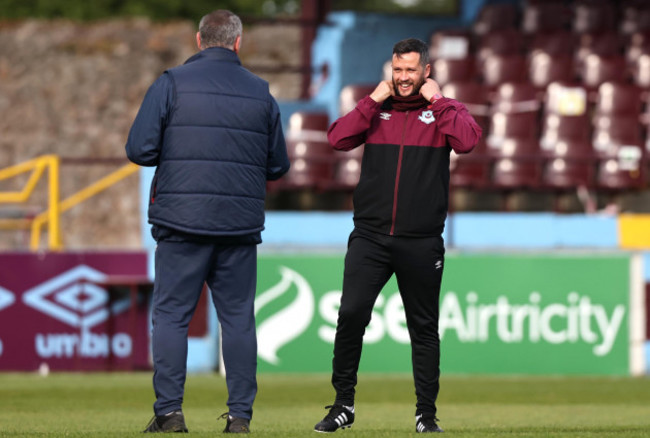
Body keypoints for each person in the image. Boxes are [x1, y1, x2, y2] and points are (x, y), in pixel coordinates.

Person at [125, 9, 290, 434]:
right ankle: (239, 418)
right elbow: (278, 166)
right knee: (237, 319)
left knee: (172, 316)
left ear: (199, 40)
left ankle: (169, 414)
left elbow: (139, 149)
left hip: (180, 223)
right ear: (238, 42)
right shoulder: (261, 92)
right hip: (238, 226)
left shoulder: (171, 83)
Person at [314, 38, 481, 434]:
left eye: (410, 70)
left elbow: (468, 142)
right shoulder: (376, 109)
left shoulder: (444, 111)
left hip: (421, 241)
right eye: (398, 70)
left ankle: (426, 414)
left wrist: (439, 101)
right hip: (370, 237)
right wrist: (372, 99)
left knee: (423, 327)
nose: (403, 78)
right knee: (351, 315)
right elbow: (337, 139)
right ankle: (343, 404)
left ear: (426, 71)